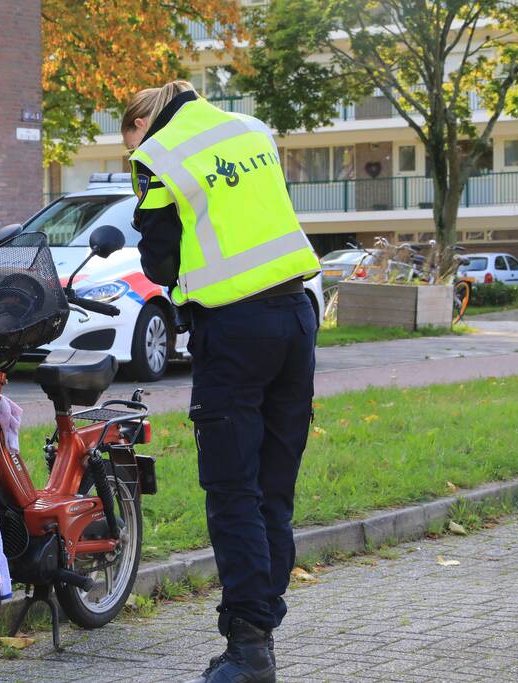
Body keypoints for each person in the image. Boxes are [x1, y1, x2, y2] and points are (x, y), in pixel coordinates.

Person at [122, 81, 320, 683]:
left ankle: (249, 650)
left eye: (128, 141)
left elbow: (159, 261)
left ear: (143, 123)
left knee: (233, 491)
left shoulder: (157, 155)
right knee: (273, 490)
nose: (130, 153)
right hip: (297, 317)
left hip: (234, 332)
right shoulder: (251, 129)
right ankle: (260, 634)